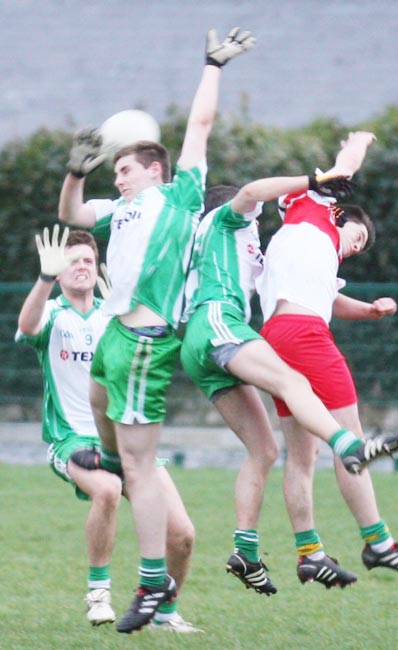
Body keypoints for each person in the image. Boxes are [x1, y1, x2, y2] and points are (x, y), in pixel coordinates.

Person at [57, 27, 255, 633]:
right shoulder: (121, 208)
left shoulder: (178, 195)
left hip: (146, 343)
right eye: (112, 170)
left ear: (155, 171)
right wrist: (74, 172)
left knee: (142, 476)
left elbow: (198, 128)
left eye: (124, 169)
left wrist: (212, 66)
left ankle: (149, 590)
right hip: (115, 338)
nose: (116, 178)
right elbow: (72, 214)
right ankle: (110, 457)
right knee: (98, 404)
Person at [180, 169, 398, 596]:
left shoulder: (251, 249)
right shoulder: (229, 220)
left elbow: (311, 287)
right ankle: (350, 450)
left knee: (266, 450)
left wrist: (367, 310)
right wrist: (312, 180)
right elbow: (251, 192)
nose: (259, 211)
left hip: (202, 345)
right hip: (221, 326)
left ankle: (249, 552)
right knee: (293, 384)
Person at [256, 131, 398, 586]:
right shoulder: (318, 209)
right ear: (340, 216)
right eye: (359, 236)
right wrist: (362, 142)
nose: (358, 245)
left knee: (302, 454)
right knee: (351, 444)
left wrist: (370, 310)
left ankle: (309, 552)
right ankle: (380, 545)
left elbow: (334, 301)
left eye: (362, 247)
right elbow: (343, 168)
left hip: (275, 336)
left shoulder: (305, 248)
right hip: (304, 335)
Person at [15, 226, 201, 633]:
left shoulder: (114, 315)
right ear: (59, 272)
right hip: (73, 440)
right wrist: (45, 279)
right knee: (107, 489)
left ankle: (165, 616)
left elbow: (155, 343)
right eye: (71, 262)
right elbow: (27, 327)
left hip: (127, 439)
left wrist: (128, 306)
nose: (80, 267)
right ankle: (98, 593)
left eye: (86, 261)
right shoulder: (51, 313)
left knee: (183, 536)